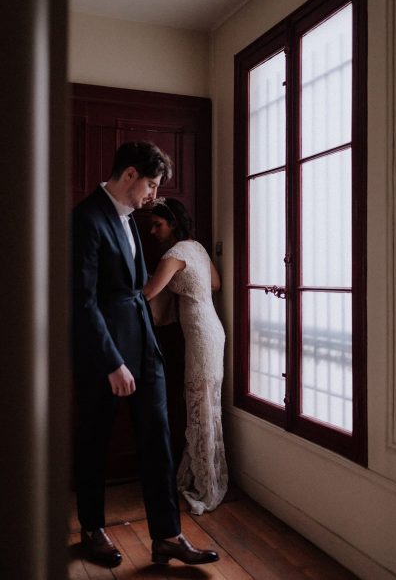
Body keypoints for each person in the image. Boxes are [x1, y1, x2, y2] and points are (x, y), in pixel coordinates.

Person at [72, 141, 219, 568]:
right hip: (106, 354)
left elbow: (137, 288)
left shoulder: (130, 219)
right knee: (95, 439)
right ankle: (92, 528)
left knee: (158, 438)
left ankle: (168, 536)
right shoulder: (86, 218)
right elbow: (83, 301)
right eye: (151, 184)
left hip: (145, 345)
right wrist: (112, 361)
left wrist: (146, 347)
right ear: (130, 174)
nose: (153, 195)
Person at [143, 197, 228, 515]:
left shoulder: (174, 254)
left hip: (202, 337)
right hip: (212, 329)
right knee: (206, 404)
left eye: (157, 224)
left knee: (199, 404)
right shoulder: (197, 248)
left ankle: (207, 486)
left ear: (173, 224)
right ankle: (202, 474)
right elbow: (216, 284)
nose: (152, 230)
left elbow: (149, 293)